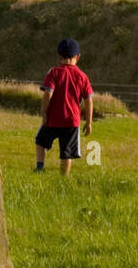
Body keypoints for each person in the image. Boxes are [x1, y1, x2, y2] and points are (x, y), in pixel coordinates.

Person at [34, 38, 94, 174]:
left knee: (41, 141)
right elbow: (89, 101)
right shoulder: (82, 76)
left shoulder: (54, 72)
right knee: (66, 153)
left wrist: (44, 112)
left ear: (59, 56)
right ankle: (64, 178)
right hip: (71, 121)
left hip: (53, 119)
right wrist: (89, 122)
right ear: (78, 57)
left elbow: (48, 93)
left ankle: (40, 167)